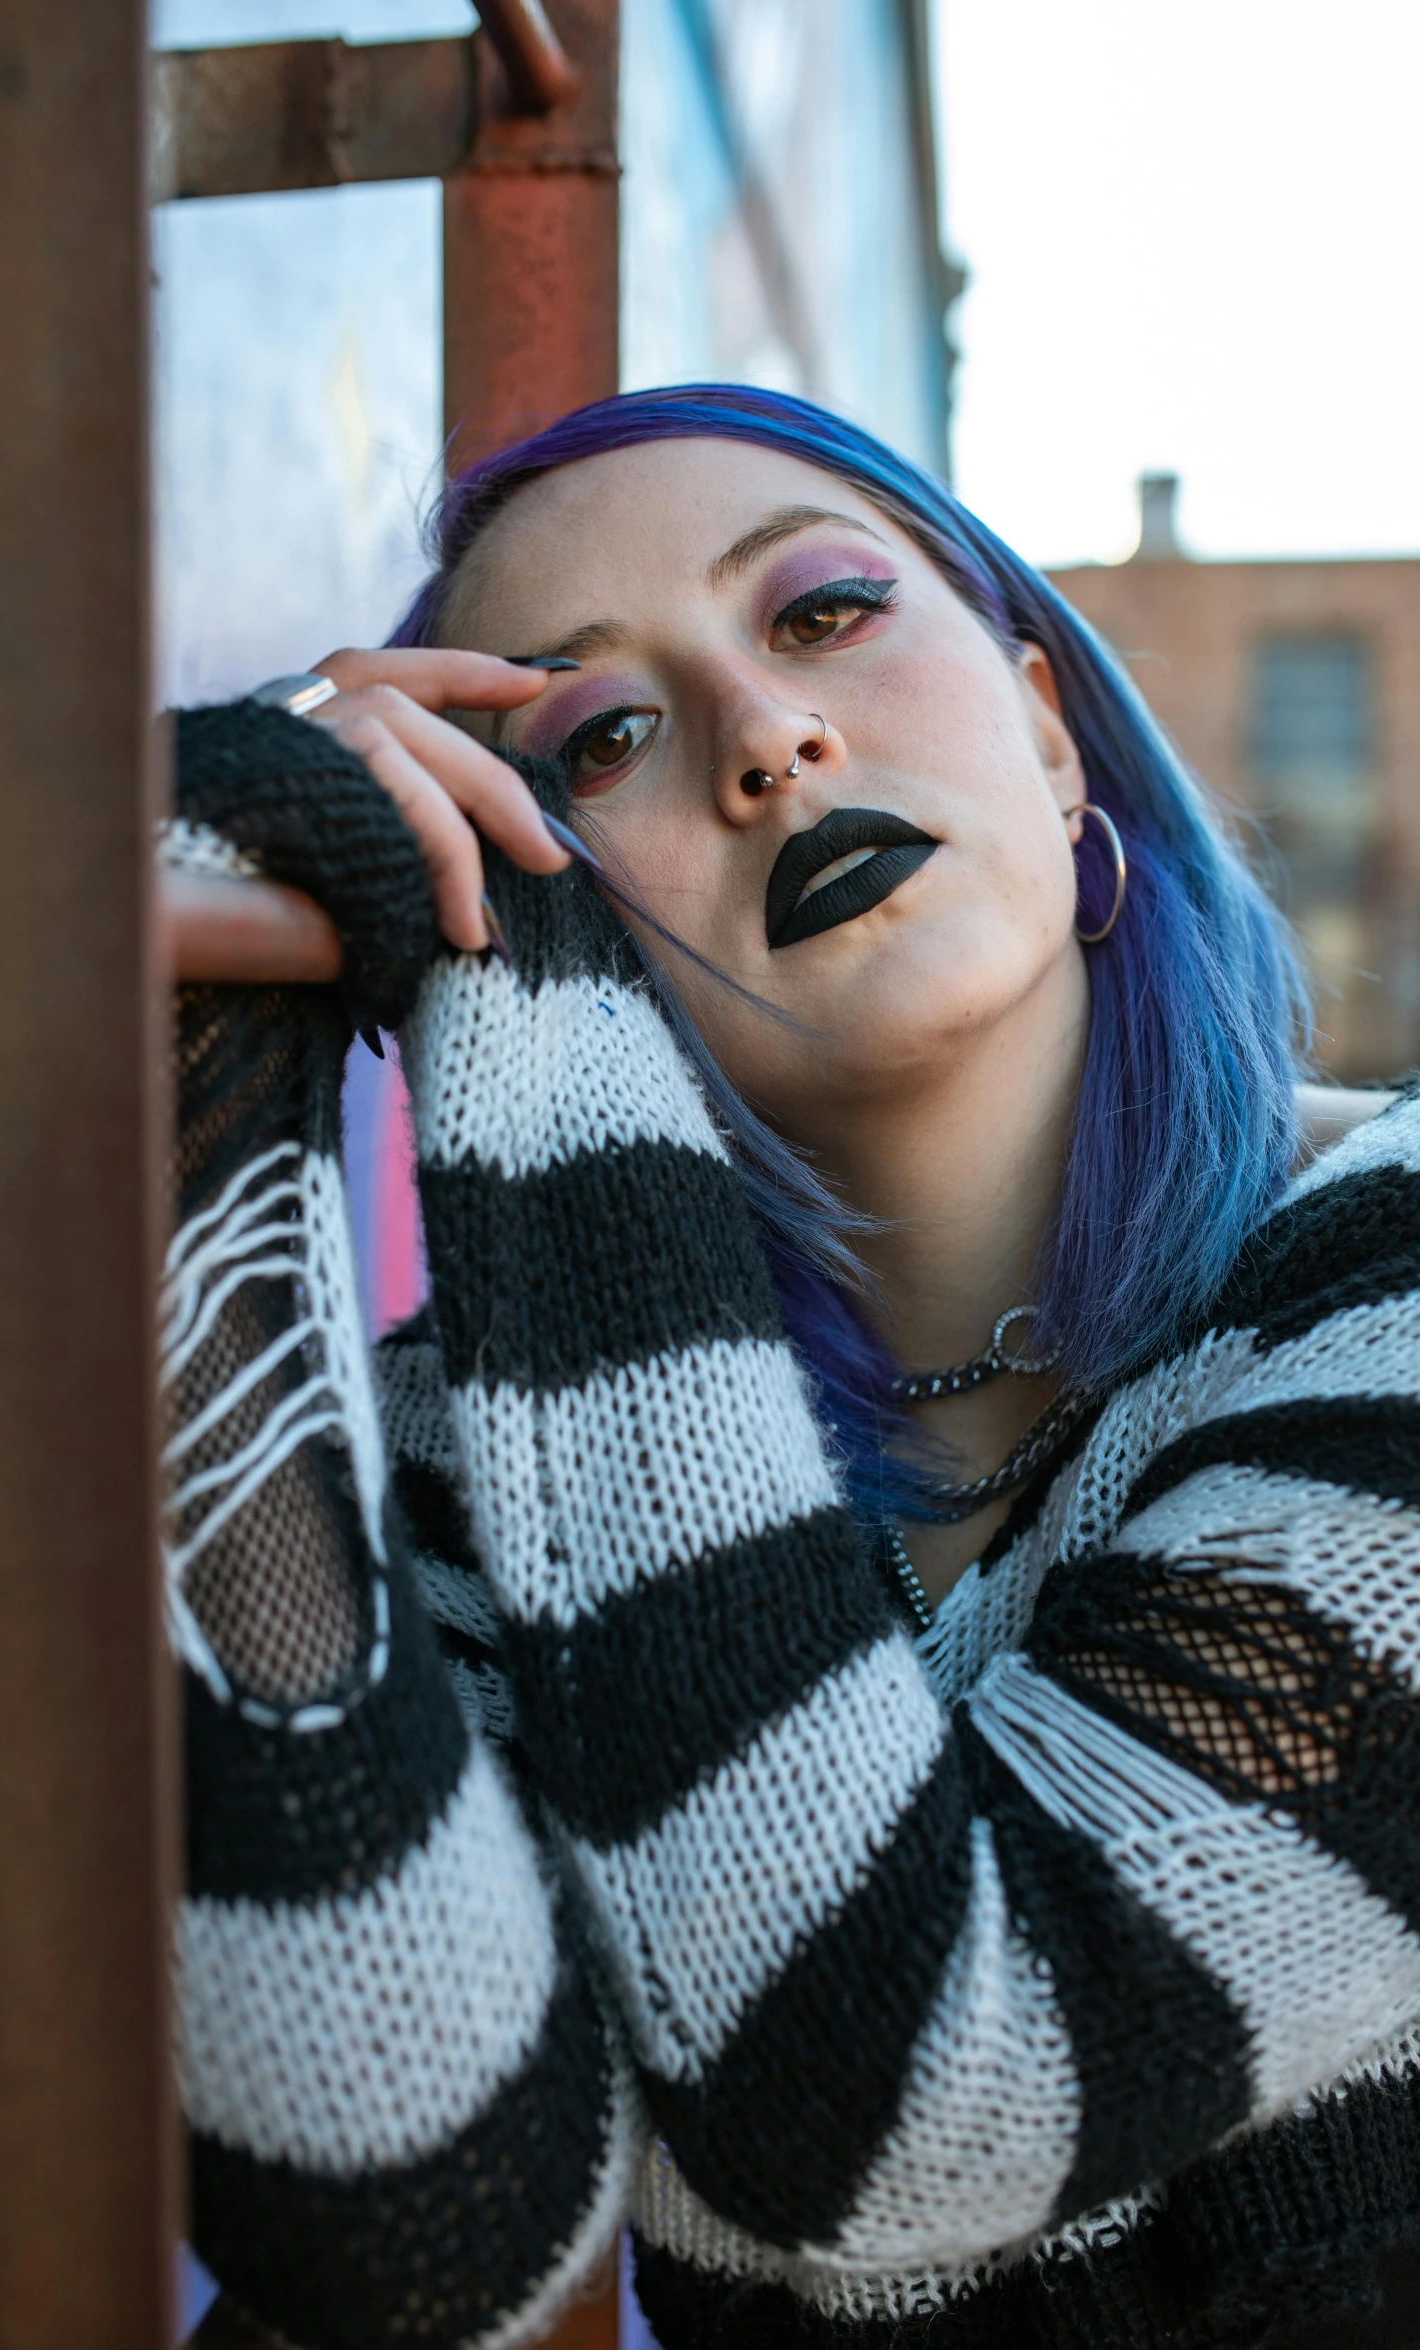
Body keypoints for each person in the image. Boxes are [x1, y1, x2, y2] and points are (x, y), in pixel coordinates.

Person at [163, 386, 1420, 2350]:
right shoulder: (486, 1447)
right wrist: (209, 1078)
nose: (766, 741)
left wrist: (544, 1005)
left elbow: (924, 2089)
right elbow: (407, 2206)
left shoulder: (1396, 1282)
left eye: (822, 614)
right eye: (602, 742)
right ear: (505, 870)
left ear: (1049, 725)